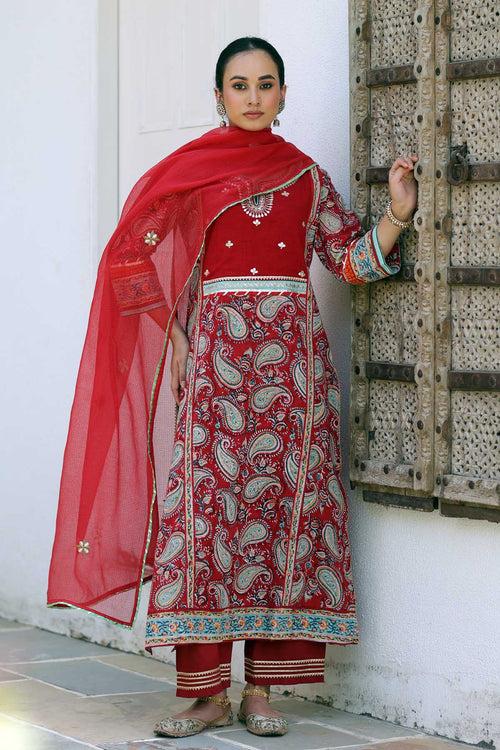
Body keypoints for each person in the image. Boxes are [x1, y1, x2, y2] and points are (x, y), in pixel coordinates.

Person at [46, 36, 418, 741]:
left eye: (265, 83)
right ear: (218, 96)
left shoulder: (306, 178)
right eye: (239, 84)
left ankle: (263, 690)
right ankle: (205, 695)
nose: (252, 96)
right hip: (215, 372)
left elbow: (349, 260)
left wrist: (396, 213)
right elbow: (129, 254)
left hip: (294, 374)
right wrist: (176, 335)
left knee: (283, 517)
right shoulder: (194, 176)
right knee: (204, 519)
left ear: (283, 95)